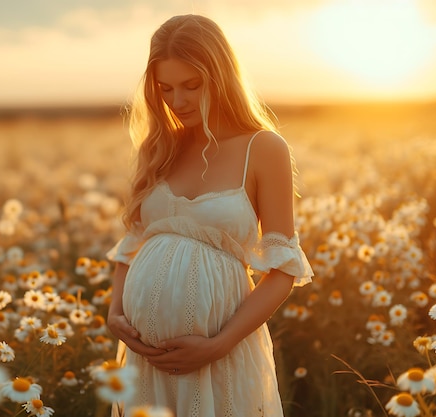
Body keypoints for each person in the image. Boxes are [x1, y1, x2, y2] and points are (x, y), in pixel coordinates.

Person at [106, 14, 313, 417]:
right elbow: (131, 246)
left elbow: (284, 269)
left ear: (220, 77)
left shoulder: (263, 148)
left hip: (222, 355)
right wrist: (115, 313)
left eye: (192, 85)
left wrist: (217, 345)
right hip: (147, 362)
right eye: (165, 89)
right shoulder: (159, 149)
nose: (177, 101)